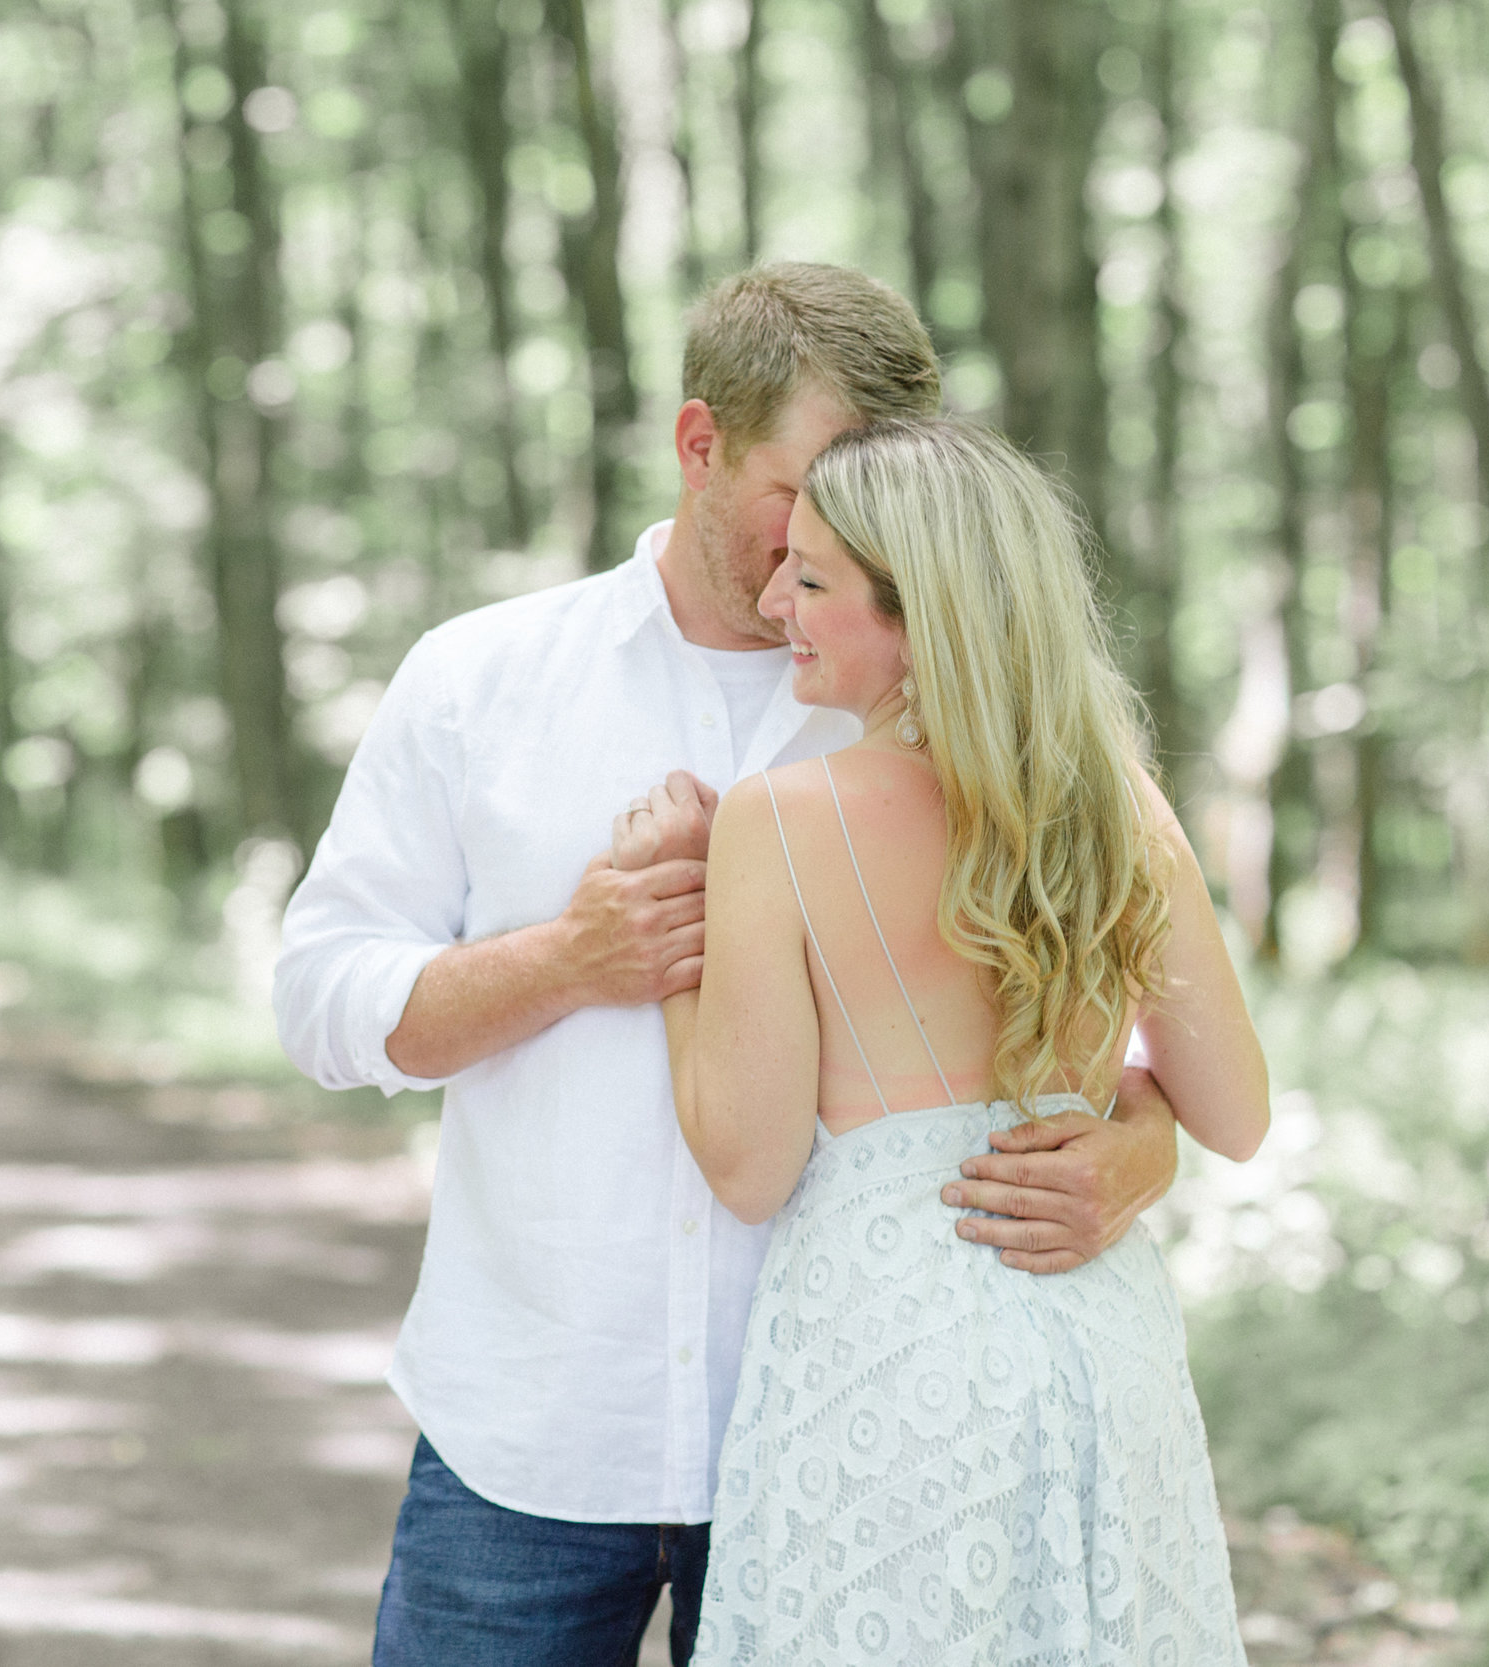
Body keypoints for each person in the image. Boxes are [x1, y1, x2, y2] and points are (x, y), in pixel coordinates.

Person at [273, 264, 1187, 1666]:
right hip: (530, 1430)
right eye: (807, 487)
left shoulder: (959, 730)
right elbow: (321, 1002)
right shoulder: (482, 677)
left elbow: (1083, 1005)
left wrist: (1140, 1143)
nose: (835, 536)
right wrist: (570, 958)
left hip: (857, 1442)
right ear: (699, 445)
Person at [615, 416, 1267, 1663]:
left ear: (917, 614)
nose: (773, 598)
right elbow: (1234, 1111)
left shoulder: (779, 821)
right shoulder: (1118, 800)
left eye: (808, 578)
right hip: (1096, 1335)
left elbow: (746, 1166)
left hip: (888, 1354)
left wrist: (674, 942)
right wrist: (1134, 1120)